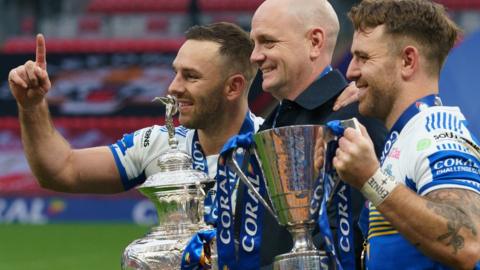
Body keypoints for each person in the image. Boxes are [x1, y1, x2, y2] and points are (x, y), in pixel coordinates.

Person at [334, 0, 480, 269]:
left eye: (363, 57)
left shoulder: (437, 131)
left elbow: (467, 242)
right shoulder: (407, 135)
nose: (350, 71)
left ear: (408, 61)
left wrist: (370, 178)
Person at [242, 0, 387, 268]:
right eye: (254, 43)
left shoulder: (354, 120)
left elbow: (341, 248)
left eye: (268, 42)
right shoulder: (272, 123)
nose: (255, 56)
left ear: (315, 42)